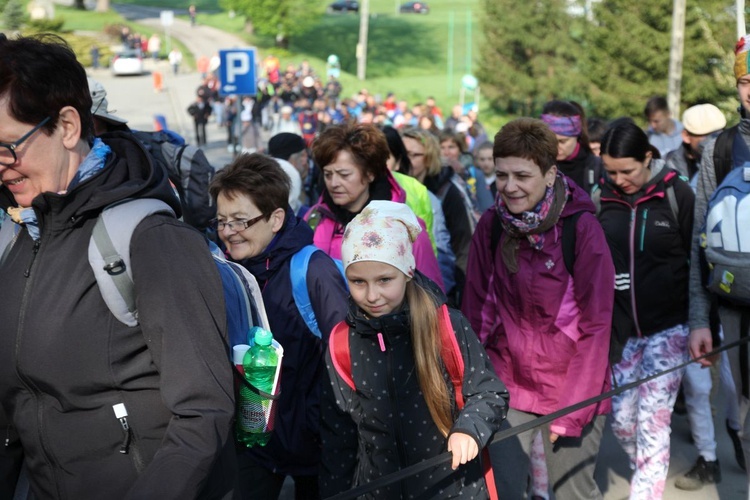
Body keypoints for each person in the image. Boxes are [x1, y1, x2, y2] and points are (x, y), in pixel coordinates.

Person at [0, 34, 235, 499]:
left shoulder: (152, 241)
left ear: (67, 126)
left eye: (8, 146)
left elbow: (204, 412)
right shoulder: (19, 240)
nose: (0, 166)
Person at [462, 118, 614, 500]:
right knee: (504, 489)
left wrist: (574, 410)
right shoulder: (491, 226)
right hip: (509, 381)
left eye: (522, 175)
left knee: (571, 493)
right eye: (501, 175)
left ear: (549, 174)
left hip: (572, 383)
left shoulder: (582, 229)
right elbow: (476, 311)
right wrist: (470, 389)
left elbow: (596, 327)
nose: (509, 186)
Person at [319, 200, 509, 499]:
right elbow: (338, 437)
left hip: (453, 489)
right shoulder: (341, 341)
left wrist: (469, 428)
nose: (371, 295)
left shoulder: (446, 325)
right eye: (357, 281)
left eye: (385, 279)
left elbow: (489, 392)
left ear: (407, 272)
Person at [210, 154, 348, 500]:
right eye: (222, 221)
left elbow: (347, 357)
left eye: (241, 221)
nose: (229, 233)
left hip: (316, 446)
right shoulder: (228, 271)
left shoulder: (312, 270)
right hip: (253, 441)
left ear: (276, 219)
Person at [596, 121, 694, 499]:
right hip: (621, 333)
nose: (619, 179)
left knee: (653, 421)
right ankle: (649, 467)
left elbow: (697, 262)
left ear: (648, 157)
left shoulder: (678, 194)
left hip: (669, 328)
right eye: (611, 171)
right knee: (621, 420)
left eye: (628, 171)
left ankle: (647, 488)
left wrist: (702, 324)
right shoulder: (600, 197)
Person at [689, 33, 750, 494]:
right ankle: (736, 430)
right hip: (734, 306)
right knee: (738, 397)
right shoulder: (719, 149)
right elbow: (699, 239)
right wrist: (698, 319)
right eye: (747, 81)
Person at [306, 122, 444, 290]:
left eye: (344, 174)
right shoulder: (314, 218)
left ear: (370, 173)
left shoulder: (405, 227)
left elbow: (430, 298)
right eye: (328, 174)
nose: (334, 183)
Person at [402, 128, 473, 305]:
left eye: (414, 155)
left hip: (440, 287)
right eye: (402, 154)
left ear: (429, 158)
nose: (406, 160)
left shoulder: (448, 191)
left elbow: (462, 244)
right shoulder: (395, 188)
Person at [540, 100, 602, 196]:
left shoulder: (597, 168)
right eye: (550, 140)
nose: (556, 147)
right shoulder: (536, 165)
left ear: (577, 135)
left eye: (562, 141)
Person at [665, 103, 726, 184]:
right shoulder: (671, 167)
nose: (714, 141)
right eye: (706, 135)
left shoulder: (732, 156)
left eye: (719, 133)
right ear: (686, 136)